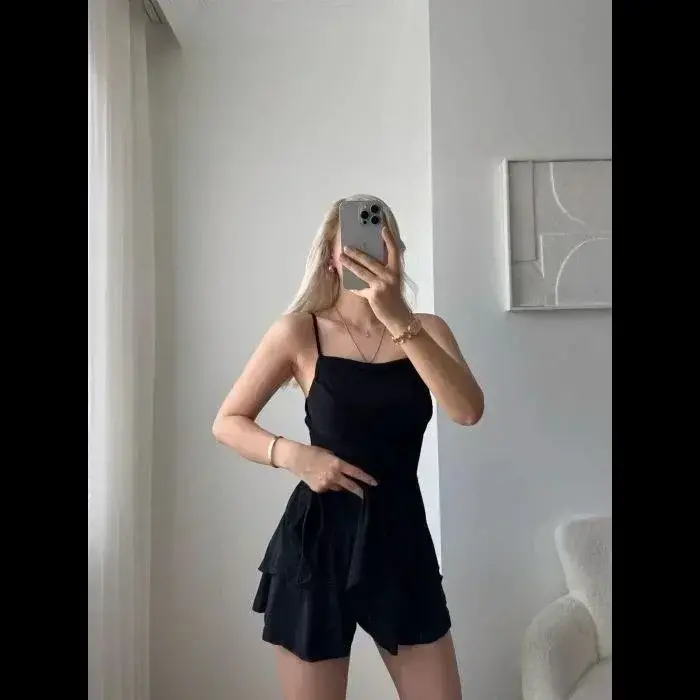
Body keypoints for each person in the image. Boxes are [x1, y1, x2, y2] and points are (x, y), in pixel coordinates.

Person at [212, 195, 484, 700]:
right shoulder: (300, 331)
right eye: (354, 245)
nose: (367, 254)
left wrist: (398, 319)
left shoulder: (427, 330)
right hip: (317, 541)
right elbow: (228, 422)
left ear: (396, 252)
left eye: (379, 242)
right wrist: (295, 456)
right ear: (330, 258)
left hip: (401, 538)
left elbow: (467, 410)